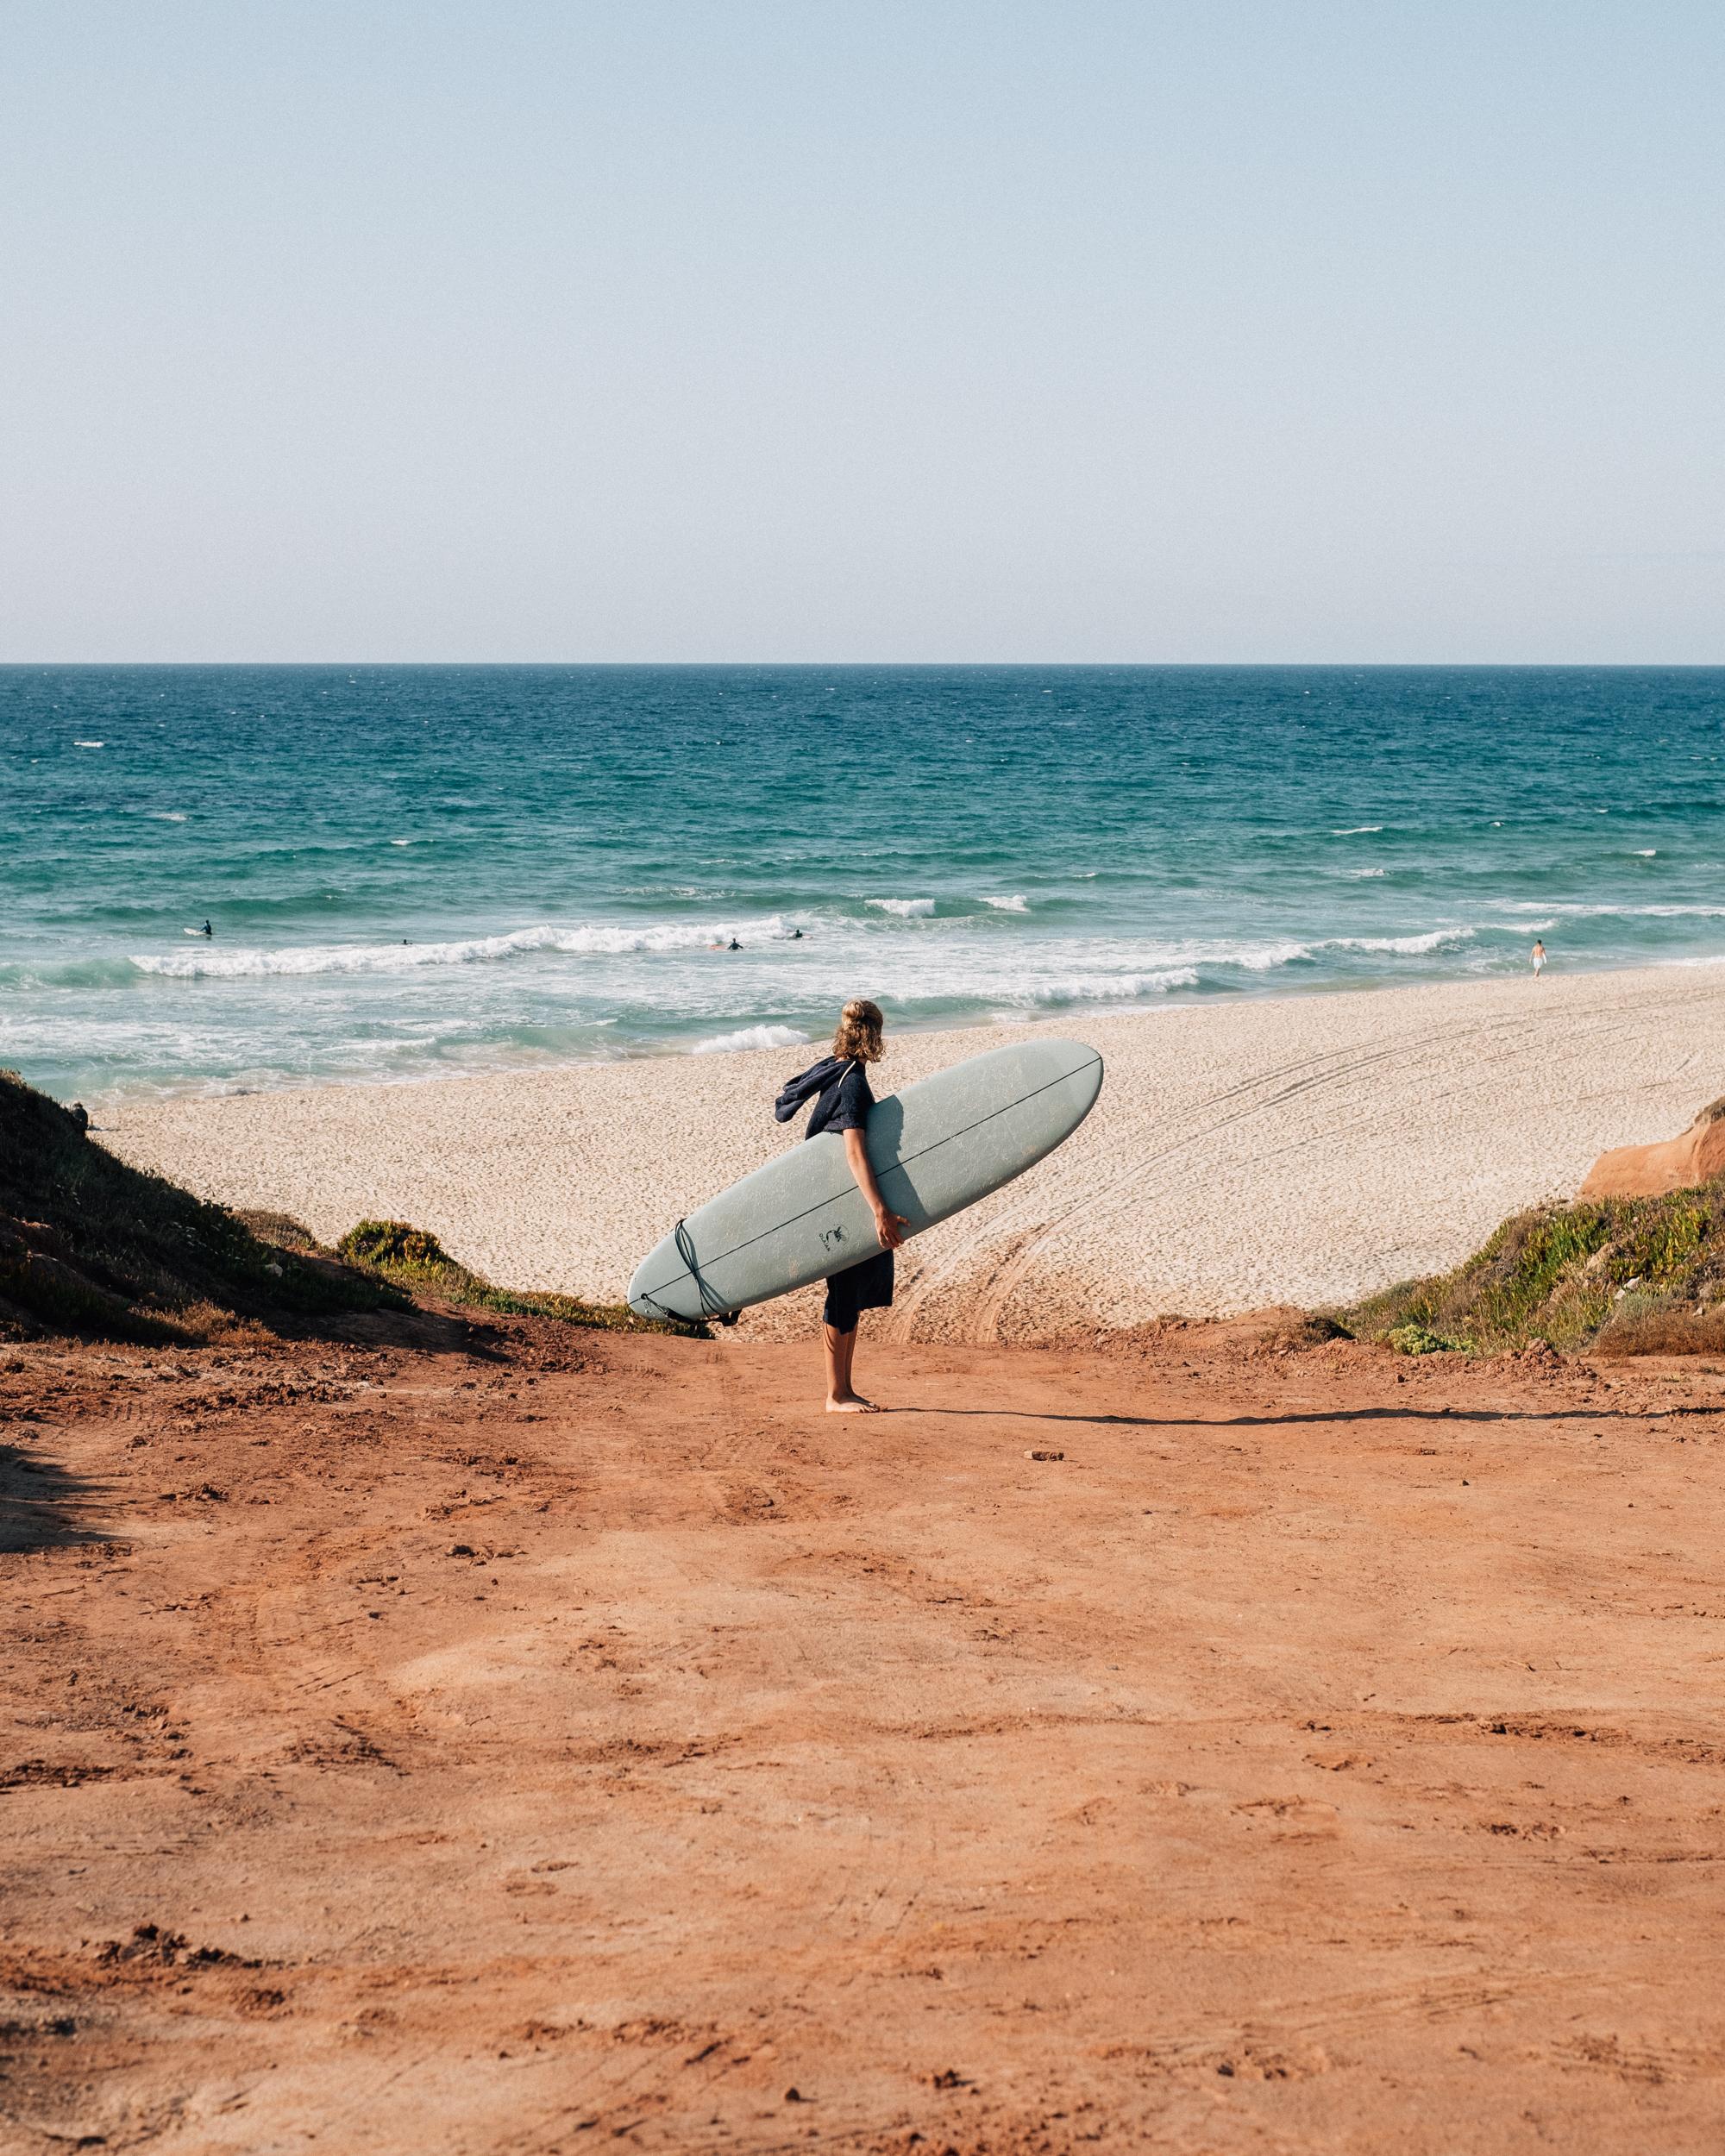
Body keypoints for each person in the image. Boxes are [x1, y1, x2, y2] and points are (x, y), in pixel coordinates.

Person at [774, 999, 906, 1412]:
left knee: (849, 1294)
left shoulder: (839, 1068)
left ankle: (845, 1389)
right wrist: (879, 1210)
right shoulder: (850, 1082)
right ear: (875, 1034)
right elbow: (854, 1153)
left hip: (840, 1198)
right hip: (844, 1204)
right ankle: (835, 1394)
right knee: (844, 1293)